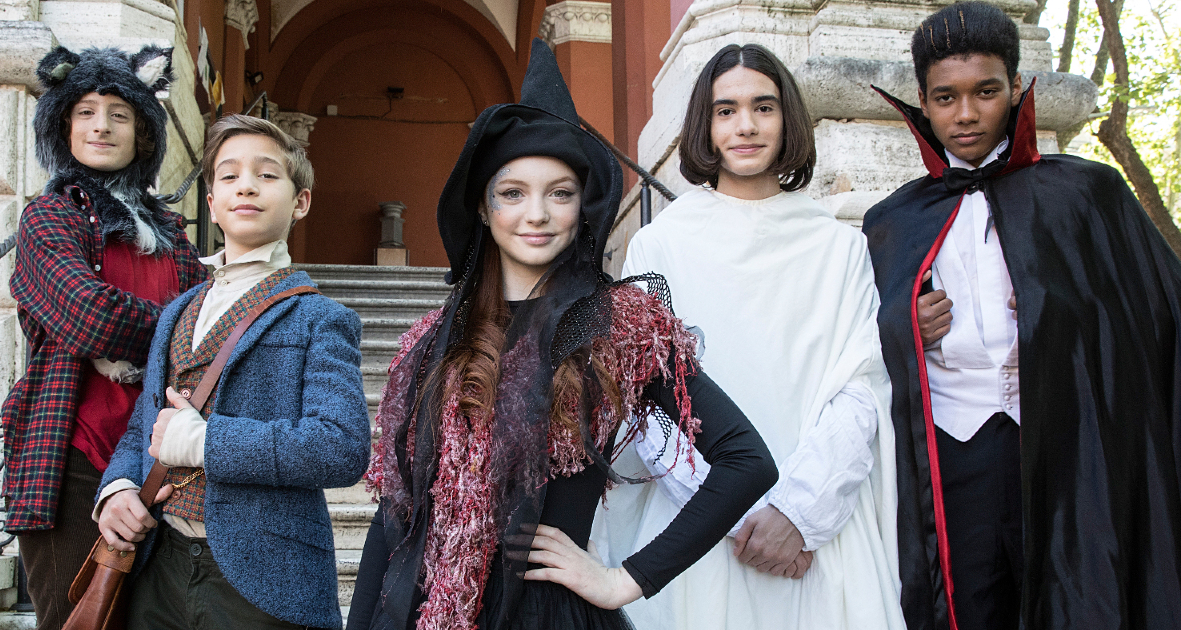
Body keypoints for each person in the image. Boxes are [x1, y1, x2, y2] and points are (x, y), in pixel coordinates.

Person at [345, 39, 777, 630]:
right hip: (427, 610)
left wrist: (624, 578)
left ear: (583, 208)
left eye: (560, 193)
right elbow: (397, 514)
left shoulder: (620, 325)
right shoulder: (435, 337)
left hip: (548, 615)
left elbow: (747, 462)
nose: (537, 215)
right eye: (513, 193)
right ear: (484, 208)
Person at [862, 3, 1181, 629]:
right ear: (923, 103)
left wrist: (1065, 308)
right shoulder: (890, 222)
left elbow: (1155, 317)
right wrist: (902, 325)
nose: (967, 114)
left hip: (1069, 448)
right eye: (945, 97)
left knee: (1079, 599)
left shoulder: (1089, 194)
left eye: (986, 91)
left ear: (1015, 89)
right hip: (954, 462)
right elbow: (849, 348)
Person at [595, 43, 904, 630]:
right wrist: (730, 510)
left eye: (763, 107)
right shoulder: (660, 246)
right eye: (725, 110)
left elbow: (862, 388)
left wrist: (798, 514)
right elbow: (647, 400)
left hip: (816, 531)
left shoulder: (839, 247)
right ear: (705, 127)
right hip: (696, 529)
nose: (745, 126)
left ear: (787, 118)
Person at [94, 114, 371, 630]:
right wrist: (117, 489)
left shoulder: (322, 318)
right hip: (160, 562)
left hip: (265, 578)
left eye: (267, 175)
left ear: (300, 202)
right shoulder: (178, 311)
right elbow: (145, 426)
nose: (246, 184)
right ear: (213, 204)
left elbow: (341, 447)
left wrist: (205, 443)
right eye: (229, 175)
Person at [0, 45, 206, 630]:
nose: (101, 126)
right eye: (86, 111)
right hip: (72, 454)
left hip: (161, 457)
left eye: (119, 113)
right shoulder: (49, 218)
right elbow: (88, 314)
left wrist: (145, 337)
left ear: (142, 132)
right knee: (79, 620)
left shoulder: (169, 229)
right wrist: (169, 326)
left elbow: (205, 331)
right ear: (63, 125)